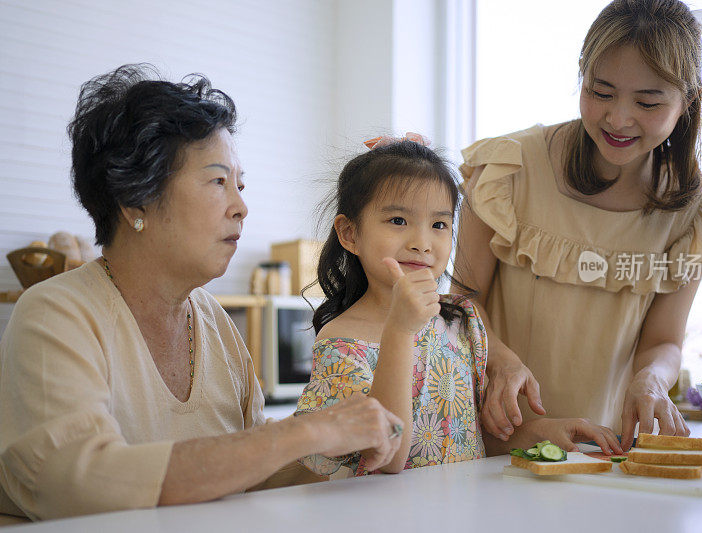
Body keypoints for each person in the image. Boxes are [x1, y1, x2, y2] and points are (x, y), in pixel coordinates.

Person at [0, 65, 404, 521]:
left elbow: (251, 472)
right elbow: (78, 482)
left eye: (240, 184)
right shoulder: (55, 314)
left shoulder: (211, 320)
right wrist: (304, 433)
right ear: (135, 201)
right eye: (218, 181)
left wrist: (346, 450)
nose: (241, 206)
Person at [455, 0, 702, 450]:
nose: (618, 118)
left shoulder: (691, 213)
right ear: (581, 74)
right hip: (492, 441)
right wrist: (500, 361)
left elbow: (664, 341)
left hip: (602, 451)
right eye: (601, 92)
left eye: (647, 101)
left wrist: (650, 380)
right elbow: (463, 301)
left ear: (686, 101)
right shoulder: (507, 171)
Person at [295, 137, 622, 477]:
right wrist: (400, 329)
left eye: (439, 225)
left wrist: (538, 433)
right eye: (397, 220)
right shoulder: (341, 343)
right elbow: (388, 458)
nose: (422, 243)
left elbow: (469, 443)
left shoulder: (460, 321)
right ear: (350, 234)